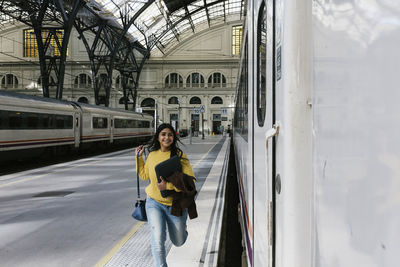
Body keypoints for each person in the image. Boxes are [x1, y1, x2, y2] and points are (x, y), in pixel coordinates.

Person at [135, 123, 195, 267]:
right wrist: (139, 158)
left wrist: (167, 186)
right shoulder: (153, 155)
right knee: (157, 240)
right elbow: (144, 175)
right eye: (163, 134)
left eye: (170, 134)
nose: (166, 137)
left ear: (174, 137)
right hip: (154, 203)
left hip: (175, 204)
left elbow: (190, 182)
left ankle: (182, 231)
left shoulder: (180, 156)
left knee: (178, 241)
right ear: (158, 137)